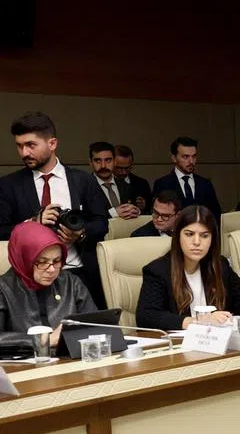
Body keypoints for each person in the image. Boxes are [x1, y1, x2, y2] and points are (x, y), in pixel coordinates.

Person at [0, 112, 109, 308]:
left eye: (31, 145)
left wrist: (80, 234)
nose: (24, 153)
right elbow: (1, 230)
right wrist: (33, 224)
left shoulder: (83, 180)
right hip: (32, 280)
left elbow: (102, 223)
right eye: (19, 145)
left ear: (52, 144)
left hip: (80, 273)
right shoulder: (9, 185)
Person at [136, 206, 240, 331]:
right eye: (189, 234)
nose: (197, 242)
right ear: (177, 237)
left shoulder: (220, 265)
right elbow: (146, 316)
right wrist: (197, 322)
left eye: (204, 236)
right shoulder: (158, 271)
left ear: (212, 239)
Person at [0, 222, 96, 349]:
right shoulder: (3, 289)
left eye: (56, 261)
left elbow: (95, 325)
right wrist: (45, 340)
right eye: (42, 262)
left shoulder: (70, 282)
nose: (51, 269)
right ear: (23, 259)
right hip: (23, 365)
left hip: (70, 359)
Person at [152, 136, 223, 219]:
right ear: (174, 158)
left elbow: (216, 215)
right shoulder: (162, 184)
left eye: (194, 156)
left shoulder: (205, 184)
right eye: (186, 157)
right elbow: (157, 215)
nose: (191, 161)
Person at [90, 141, 139, 220]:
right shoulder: (84, 187)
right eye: (98, 160)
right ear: (91, 163)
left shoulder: (125, 185)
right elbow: (85, 218)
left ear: (114, 161)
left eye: (108, 160)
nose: (103, 166)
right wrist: (113, 213)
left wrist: (136, 211)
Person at [113, 144, 151, 213]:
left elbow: (151, 211)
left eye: (127, 168)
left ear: (132, 164)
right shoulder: (101, 184)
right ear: (111, 163)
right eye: (119, 168)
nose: (123, 172)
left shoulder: (142, 183)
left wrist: (144, 206)